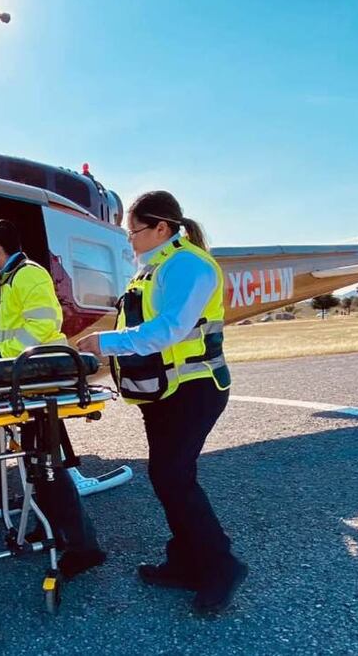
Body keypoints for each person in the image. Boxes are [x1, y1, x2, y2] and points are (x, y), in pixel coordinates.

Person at [76, 190, 246, 615]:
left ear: (161, 228)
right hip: (166, 391)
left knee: (174, 476)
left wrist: (104, 342)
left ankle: (221, 566)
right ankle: (186, 562)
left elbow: (169, 329)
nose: (129, 241)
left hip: (196, 388)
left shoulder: (188, 265)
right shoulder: (152, 269)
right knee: (166, 476)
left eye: (134, 232)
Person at [0, 219, 106, 579]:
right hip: (29, 379)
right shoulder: (13, 278)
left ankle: (84, 547)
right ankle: (50, 526)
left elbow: (40, 330)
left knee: (49, 466)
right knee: (37, 463)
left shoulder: (29, 275)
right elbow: (14, 333)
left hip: (41, 379)